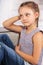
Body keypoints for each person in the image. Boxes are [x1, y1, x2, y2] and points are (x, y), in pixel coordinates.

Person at [1, 1, 43, 65]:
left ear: (36, 15)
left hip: (26, 63)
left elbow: (35, 61)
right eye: (21, 16)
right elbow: (5, 24)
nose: (24, 18)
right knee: (3, 37)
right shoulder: (23, 29)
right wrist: (18, 16)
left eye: (27, 15)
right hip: (19, 56)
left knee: (1, 46)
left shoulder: (37, 35)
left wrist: (18, 52)